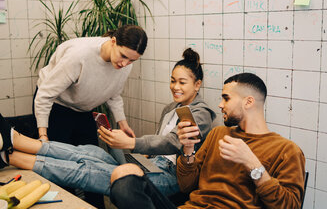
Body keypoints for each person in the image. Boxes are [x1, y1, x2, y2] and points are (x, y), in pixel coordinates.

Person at [0, 48, 216, 198]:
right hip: (150, 164)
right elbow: (159, 146)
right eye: (172, 80)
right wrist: (127, 144)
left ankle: (10, 155)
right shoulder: (170, 109)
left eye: (182, 82)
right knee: (89, 153)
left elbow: (173, 143)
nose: (175, 87)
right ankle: (14, 141)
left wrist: (132, 144)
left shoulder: (201, 113)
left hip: (170, 177)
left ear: (197, 85)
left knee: (91, 170)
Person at [109, 72, 306, 209]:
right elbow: (186, 186)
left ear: (248, 102)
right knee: (124, 173)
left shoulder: (286, 150)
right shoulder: (218, 134)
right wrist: (187, 150)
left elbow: (289, 205)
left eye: (226, 98)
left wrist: (252, 163)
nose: (220, 105)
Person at [32, 24, 148, 208]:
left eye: (132, 61)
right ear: (113, 41)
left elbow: (114, 94)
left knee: (94, 164)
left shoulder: (125, 64)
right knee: (63, 168)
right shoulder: (79, 56)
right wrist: (43, 136)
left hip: (82, 110)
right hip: (56, 107)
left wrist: (123, 123)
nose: (125, 64)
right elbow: (45, 95)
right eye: (123, 56)